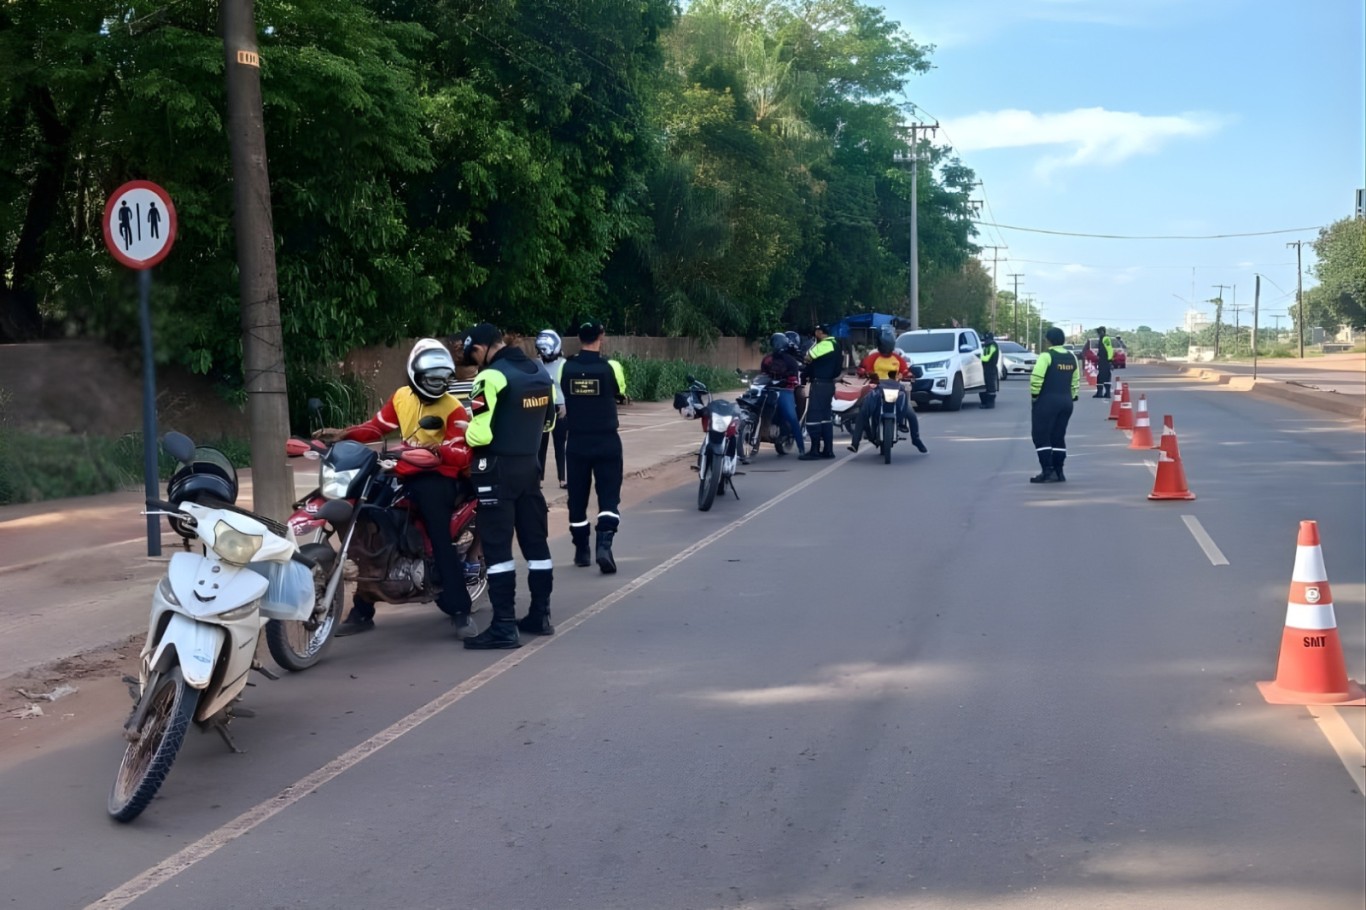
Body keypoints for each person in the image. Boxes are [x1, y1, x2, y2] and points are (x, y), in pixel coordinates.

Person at [319, 339, 476, 638]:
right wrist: (344, 434)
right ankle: (363, 609)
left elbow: (461, 451)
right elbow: (377, 427)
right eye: (431, 378)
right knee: (367, 522)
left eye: (443, 378)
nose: (438, 384)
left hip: (438, 476)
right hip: (402, 470)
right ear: (415, 375)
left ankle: (460, 611)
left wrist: (439, 451)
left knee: (438, 538)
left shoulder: (453, 408)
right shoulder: (402, 397)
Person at [459, 323, 556, 648]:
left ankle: (503, 626)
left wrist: (463, 427)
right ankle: (540, 615)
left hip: (496, 472)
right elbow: (548, 422)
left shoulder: (490, 378)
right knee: (536, 544)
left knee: (497, 549)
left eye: (473, 355)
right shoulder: (539, 372)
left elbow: (480, 434)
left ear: (482, 347)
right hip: (530, 468)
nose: (475, 362)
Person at [560, 321, 627, 574]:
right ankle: (604, 545)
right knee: (609, 496)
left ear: (579, 338)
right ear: (602, 336)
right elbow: (621, 391)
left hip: (577, 442)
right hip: (607, 441)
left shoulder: (566, 367)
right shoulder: (611, 366)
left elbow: (562, 391)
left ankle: (581, 550)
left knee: (577, 498)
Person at [847, 328, 926, 454]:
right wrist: (862, 372)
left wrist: (909, 374)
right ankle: (855, 443)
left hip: (895, 387)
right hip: (876, 388)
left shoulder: (897, 358)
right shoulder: (872, 357)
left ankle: (916, 439)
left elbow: (905, 371)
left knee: (910, 414)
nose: (886, 349)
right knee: (863, 412)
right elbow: (862, 369)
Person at [1029, 326, 1080, 483]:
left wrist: (1035, 395)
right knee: (1058, 436)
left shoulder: (1046, 356)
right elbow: (1075, 380)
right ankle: (1059, 471)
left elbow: (1036, 378)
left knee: (1040, 435)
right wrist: (1072, 396)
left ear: (1048, 340)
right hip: (1066, 402)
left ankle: (1047, 470)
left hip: (1047, 401)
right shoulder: (1072, 357)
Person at [798, 323, 841, 460]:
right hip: (828, 384)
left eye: (816, 332)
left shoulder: (825, 344)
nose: (815, 334)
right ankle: (828, 450)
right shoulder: (836, 344)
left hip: (820, 384)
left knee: (814, 417)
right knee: (825, 418)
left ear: (821, 332)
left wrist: (806, 360)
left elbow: (808, 357)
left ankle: (815, 450)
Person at [759, 333, 805, 457]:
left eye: (778, 343)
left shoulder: (791, 360)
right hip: (769, 389)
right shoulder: (768, 359)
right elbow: (763, 375)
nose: (777, 345)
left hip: (785, 390)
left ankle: (801, 448)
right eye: (775, 343)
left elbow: (794, 378)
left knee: (792, 418)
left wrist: (785, 381)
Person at [535, 329, 569, 489]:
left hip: (560, 407)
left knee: (560, 443)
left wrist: (567, 405)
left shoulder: (564, 364)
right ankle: (538, 478)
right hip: (542, 406)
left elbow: (568, 387)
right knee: (540, 444)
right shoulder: (537, 364)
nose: (543, 354)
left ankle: (563, 478)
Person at [1093, 326, 1115, 398]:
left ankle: (1106, 393)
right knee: (1100, 377)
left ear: (1102, 332)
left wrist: (1110, 360)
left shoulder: (1105, 338)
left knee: (1105, 376)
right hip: (1102, 360)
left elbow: (1109, 349)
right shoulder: (1101, 338)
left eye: (1099, 332)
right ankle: (1100, 392)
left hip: (1105, 361)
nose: (1098, 334)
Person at [979, 332, 1000, 408]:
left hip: (991, 368)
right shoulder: (986, 345)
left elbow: (987, 358)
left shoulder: (993, 346)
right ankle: (984, 403)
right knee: (985, 386)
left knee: (990, 386)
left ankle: (990, 404)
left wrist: (979, 357)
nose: (985, 341)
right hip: (985, 368)